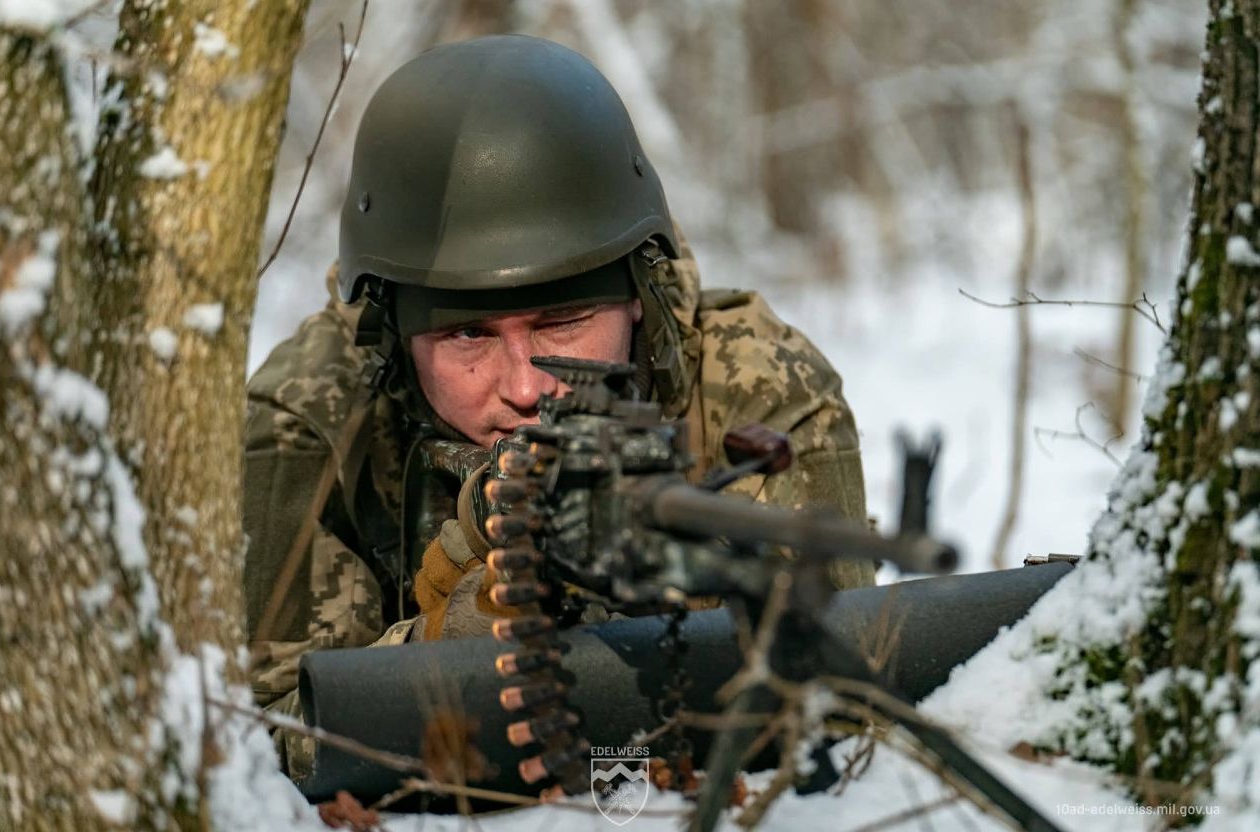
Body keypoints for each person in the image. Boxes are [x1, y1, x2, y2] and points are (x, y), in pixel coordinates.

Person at [243, 34, 874, 778]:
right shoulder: (309, 421)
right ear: (395, 333)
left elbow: (847, 692)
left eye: (564, 322)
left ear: (637, 295)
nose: (525, 387)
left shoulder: (754, 384)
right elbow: (263, 742)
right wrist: (440, 649)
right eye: (468, 334)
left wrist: (683, 594)